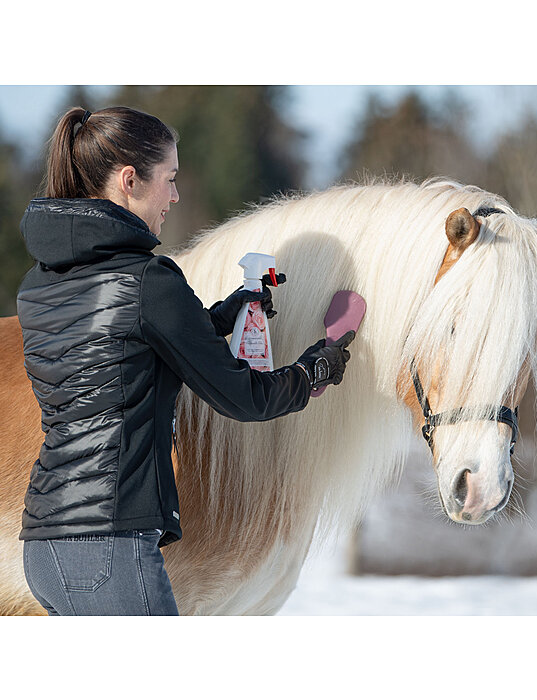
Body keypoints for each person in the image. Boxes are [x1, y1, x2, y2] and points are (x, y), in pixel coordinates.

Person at [16, 106, 355, 616]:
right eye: (169, 180)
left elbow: (122, 352)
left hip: (43, 547)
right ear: (131, 181)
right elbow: (243, 398)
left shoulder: (41, 284)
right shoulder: (148, 281)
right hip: (111, 545)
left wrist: (221, 316)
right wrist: (313, 370)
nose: (174, 195)